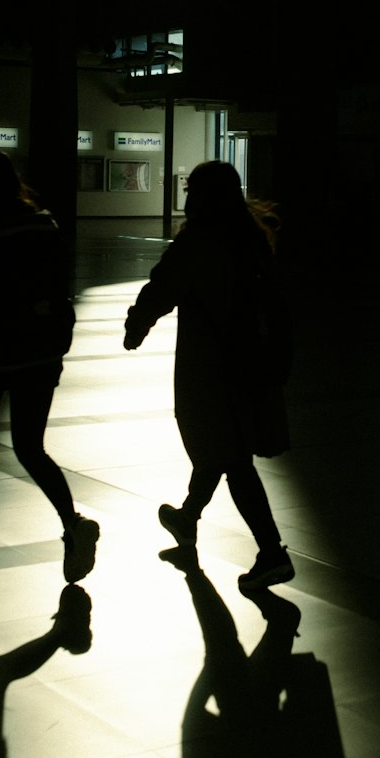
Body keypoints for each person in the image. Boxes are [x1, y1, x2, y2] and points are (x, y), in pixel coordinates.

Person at [123, 160, 294, 592]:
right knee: (224, 448)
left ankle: (271, 552)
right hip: (251, 363)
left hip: (212, 368)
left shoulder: (199, 240)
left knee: (229, 457)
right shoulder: (253, 237)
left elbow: (164, 286)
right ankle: (187, 518)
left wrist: (137, 323)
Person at [0, 150, 99, 581]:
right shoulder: (42, 225)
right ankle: (73, 521)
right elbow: (58, 286)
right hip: (39, 354)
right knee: (30, 446)